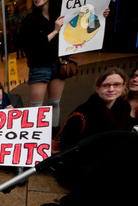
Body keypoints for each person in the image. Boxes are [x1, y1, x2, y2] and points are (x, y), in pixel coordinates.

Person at [21, 0, 110, 135]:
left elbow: (85, 22)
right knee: (36, 108)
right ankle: (36, 137)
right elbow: (32, 47)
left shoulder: (63, 15)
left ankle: (54, 135)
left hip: (58, 63)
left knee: (55, 103)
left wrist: (100, 13)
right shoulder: (30, 20)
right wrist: (55, 31)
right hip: (39, 66)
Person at [56, 67, 131, 151]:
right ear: (97, 88)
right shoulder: (81, 115)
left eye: (117, 85)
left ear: (123, 86)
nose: (111, 89)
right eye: (106, 85)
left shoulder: (125, 107)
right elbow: (67, 147)